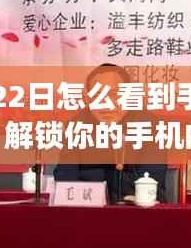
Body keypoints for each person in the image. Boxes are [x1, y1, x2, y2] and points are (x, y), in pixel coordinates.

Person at [54, 63, 167, 204]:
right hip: (87, 210)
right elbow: (64, 180)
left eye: (114, 94)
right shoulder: (77, 126)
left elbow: (149, 185)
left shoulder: (150, 126)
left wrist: (89, 178)